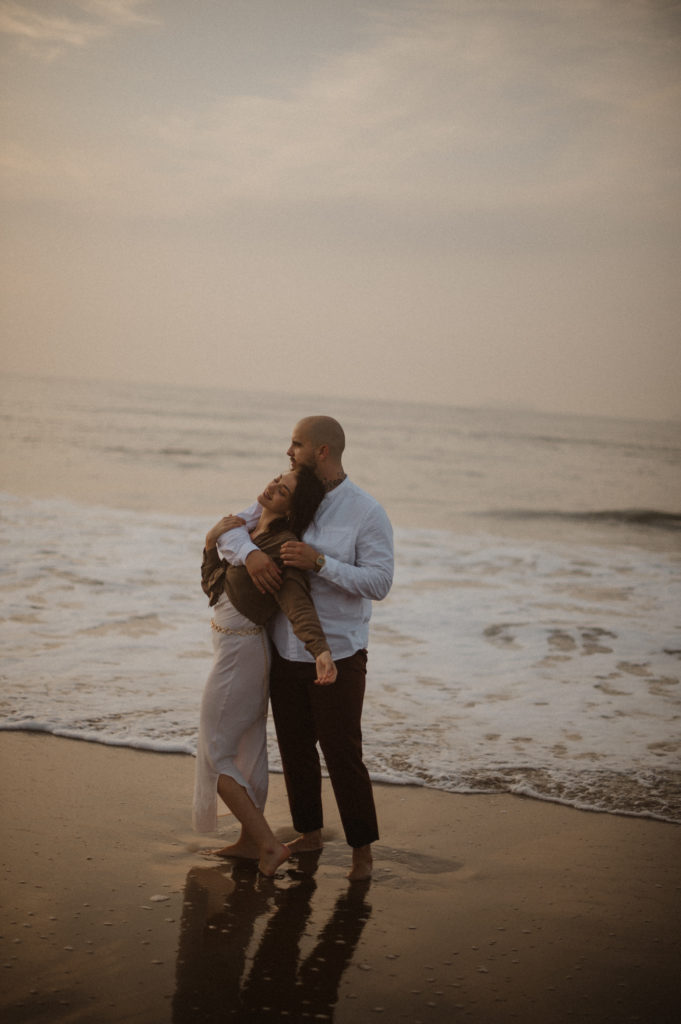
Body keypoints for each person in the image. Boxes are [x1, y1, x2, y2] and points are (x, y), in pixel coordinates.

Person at [216, 416, 393, 881]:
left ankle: (362, 852)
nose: (288, 452)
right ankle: (310, 834)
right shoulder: (290, 494)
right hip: (283, 647)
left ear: (322, 451)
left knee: (342, 753)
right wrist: (252, 554)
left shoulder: (366, 511)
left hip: (339, 652)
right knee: (295, 751)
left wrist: (320, 563)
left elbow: (380, 582)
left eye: (296, 444)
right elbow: (232, 528)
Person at [193, 464, 337, 877]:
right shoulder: (246, 532)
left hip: (242, 656)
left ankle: (270, 845)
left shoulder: (283, 545)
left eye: (284, 490)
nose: (274, 486)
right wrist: (210, 541)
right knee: (246, 748)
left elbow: (296, 601)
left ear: (292, 510)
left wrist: (320, 649)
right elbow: (213, 587)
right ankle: (248, 842)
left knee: (212, 754)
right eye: (278, 479)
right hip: (232, 650)